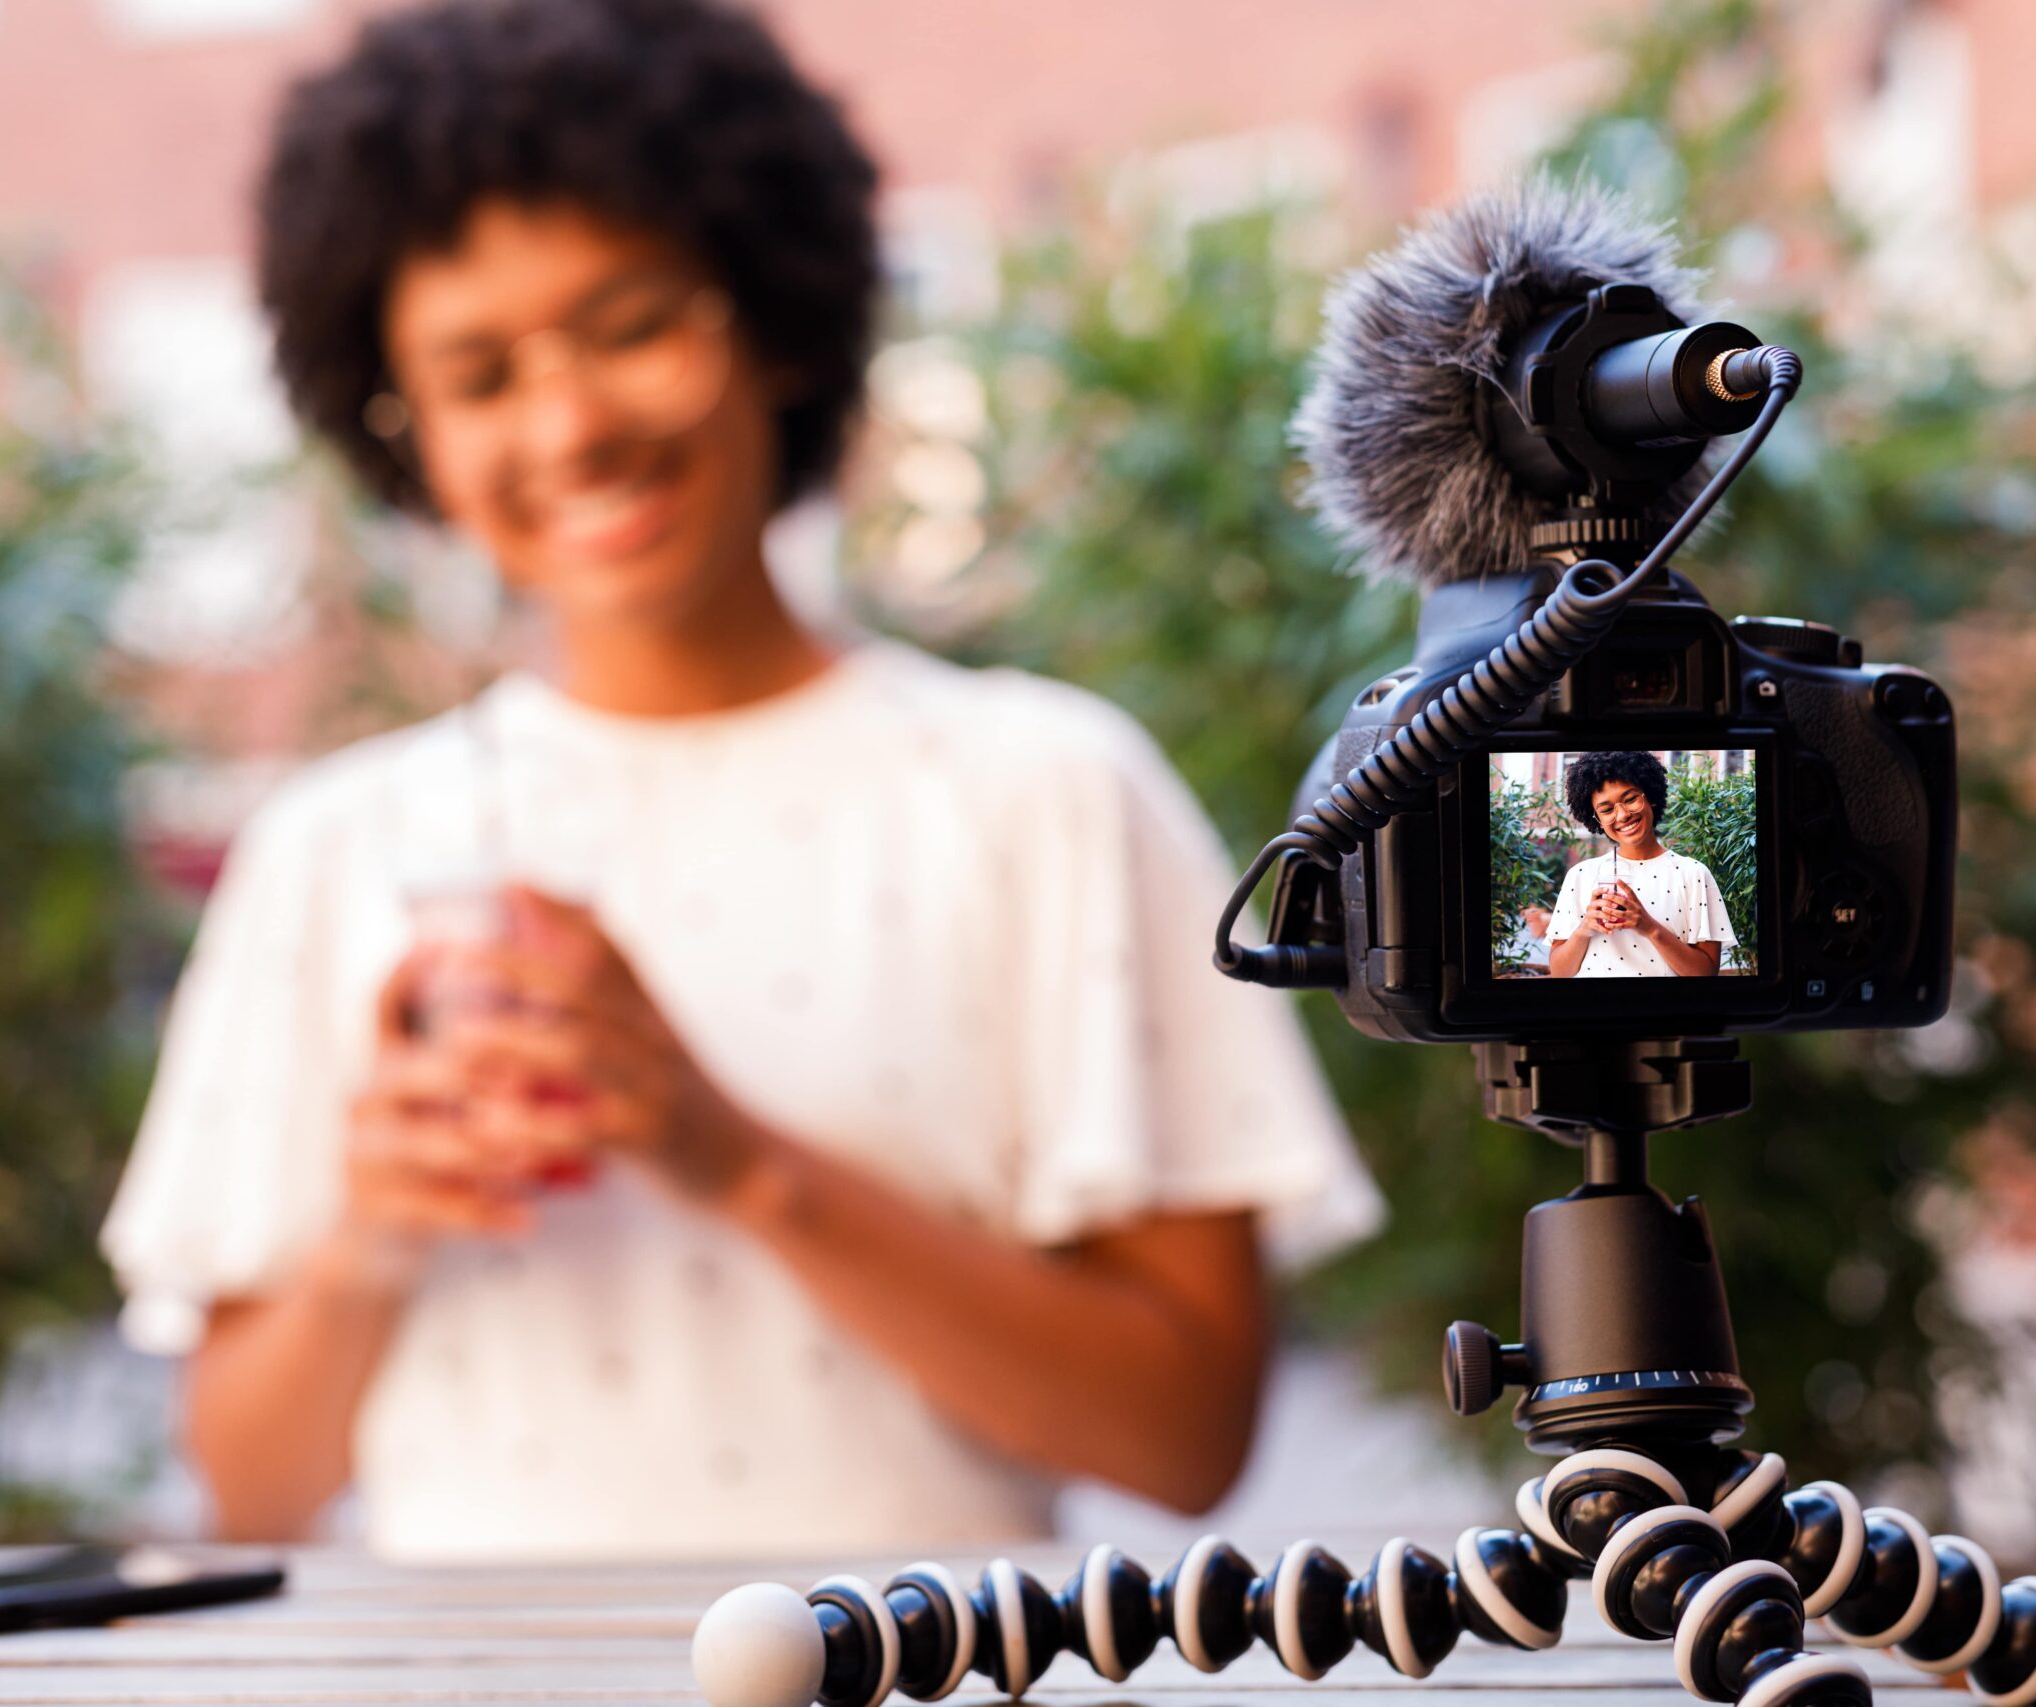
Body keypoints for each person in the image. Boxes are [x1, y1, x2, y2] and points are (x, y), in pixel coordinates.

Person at [99, 0, 1380, 1564]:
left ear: (772, 319)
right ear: (408, 435)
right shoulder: (330, 851)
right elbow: (248, 1489)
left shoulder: (1043, 792)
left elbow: (1188, 1439)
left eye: (632, 325)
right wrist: (368, 1232)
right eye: (480, 373)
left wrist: (733, 1156)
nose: (568, 424)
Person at [1541, 751, 1736, 979]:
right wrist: (1584, 929)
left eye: (1631, 799)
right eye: (1606, 809)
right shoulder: (1580, 876)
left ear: (1650, 796)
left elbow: (1705, 973)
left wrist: (1649, 927)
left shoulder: (1693, 874)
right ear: (1596, 820)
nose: (1622, 815)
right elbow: (1559, 973)